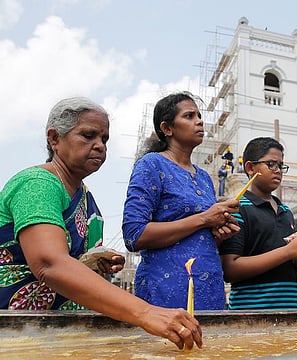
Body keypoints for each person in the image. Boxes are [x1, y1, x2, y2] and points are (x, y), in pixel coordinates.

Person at [0, 97, 202, 350]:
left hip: (61, 335)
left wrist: (92, 260)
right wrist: (145, 312)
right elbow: (49, 263)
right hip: (15, 332)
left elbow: (66, 261)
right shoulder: (37, 184)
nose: (99, 146)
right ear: (54, 138)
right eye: (88, 135)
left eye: (104, 139)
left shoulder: (85, 197)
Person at [122, 92, 240, 311]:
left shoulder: (204, 177)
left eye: (199, 115)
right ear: (167, 128)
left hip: (209, 286)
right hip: (166, 290)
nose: (200, 121)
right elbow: (133, 234)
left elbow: (199, 237)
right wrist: (204, 219)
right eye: (189, 116)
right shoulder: (151, 165)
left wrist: (220, 234)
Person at [219, 137, 297, 309]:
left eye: (281, 165)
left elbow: (291, 266)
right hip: (251, 316)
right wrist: (287, 252)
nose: (278, 170)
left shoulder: (286, 212)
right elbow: (230, 269)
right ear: (249, 167)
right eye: (271, 164)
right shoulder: (238, 209)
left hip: (290, 310)